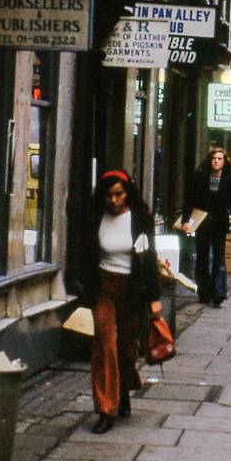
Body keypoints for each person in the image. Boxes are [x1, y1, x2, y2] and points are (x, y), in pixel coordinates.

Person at [71, 170, 161, 434]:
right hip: (103, 289)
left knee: (126, 349)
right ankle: (105, 408)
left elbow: (149, 258)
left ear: (128, 193)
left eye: (119, 194)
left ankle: (123, 391)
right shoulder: (94, 218)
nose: (114, 200)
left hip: (132, 290)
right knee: (104, 347)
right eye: (109, 195)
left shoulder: (140, 219)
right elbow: (84, 254)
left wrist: (154, 298)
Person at [185, 147, 231, 308]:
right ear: (210, 160)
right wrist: (186, 221)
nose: (216, 161)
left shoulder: (229, 180)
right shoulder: (201, 177)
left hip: (220, 224)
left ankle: (218, 293)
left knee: (218, 258)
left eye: (219, 158)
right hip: (202, 223)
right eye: (214, 158)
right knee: (202, 258)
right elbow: (190, 199)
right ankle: (204, 292)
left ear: (224, 162)